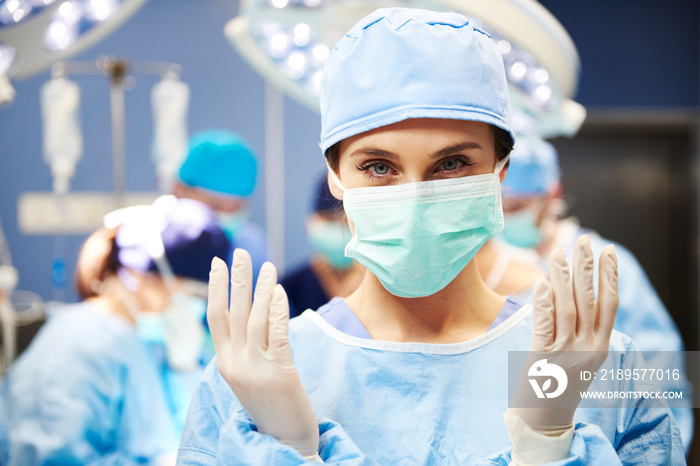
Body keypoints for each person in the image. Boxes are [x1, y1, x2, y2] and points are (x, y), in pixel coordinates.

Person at [177, 8, 685, 464]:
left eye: (452, 163)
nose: (415, 198)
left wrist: (549, 442)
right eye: (378, 166)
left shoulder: (603, 369)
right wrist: (285, 447)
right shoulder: (250, 382)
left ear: (500, 173)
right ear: (334, 177)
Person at [488, 134, 694, 450]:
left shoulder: (607, 265)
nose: (506, 215)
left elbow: (662, 380)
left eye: (517, 206)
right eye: (498, 206)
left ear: (552, 194)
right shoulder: (485, 265)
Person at [0, 196, 230, 465]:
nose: (197, 306)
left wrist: (183, 370)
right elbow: (48, 458)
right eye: (192, 292)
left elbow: (185, 436)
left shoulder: (147, 343)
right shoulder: (79, 345)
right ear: (140, 277)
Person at [173, 129, 269, 282]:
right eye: (215, 205)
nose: (226, 214)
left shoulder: (250, 247)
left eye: (236, 208)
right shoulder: (150, 246)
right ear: (179, 190)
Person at [281, 176, 363, 317]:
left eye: (346, 222)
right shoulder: (290, 288)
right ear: (312, 221)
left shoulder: (382, 287)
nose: (340, 230)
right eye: (330, 220)